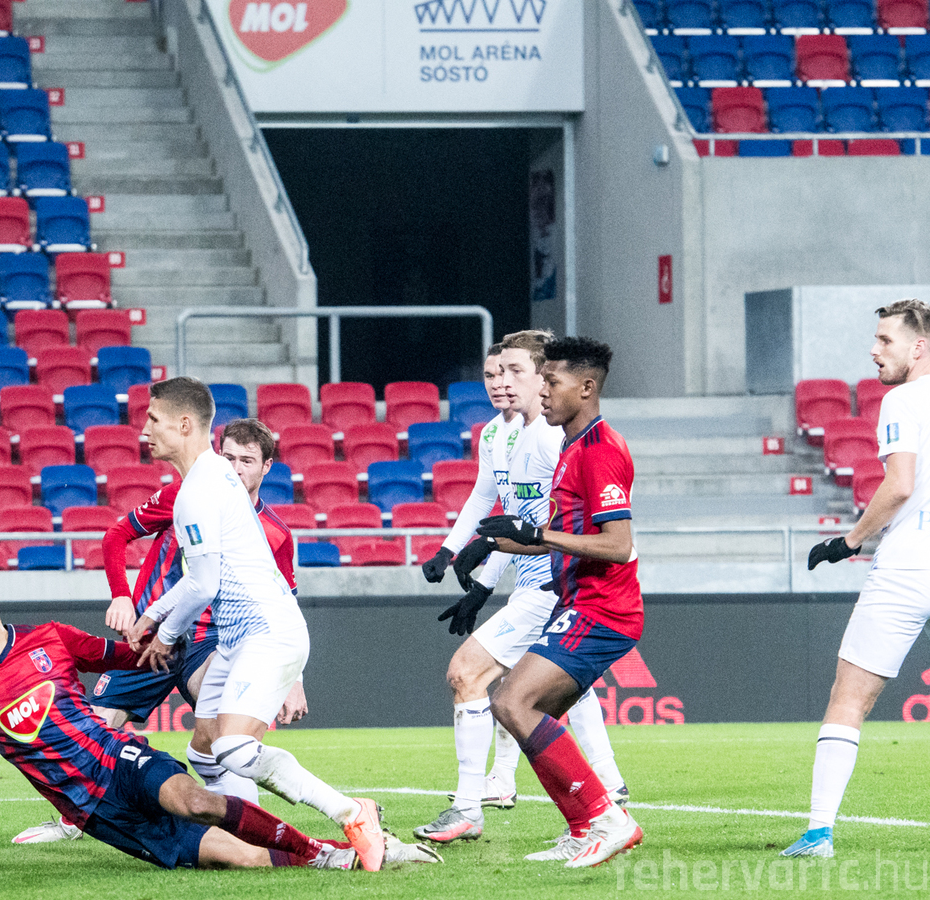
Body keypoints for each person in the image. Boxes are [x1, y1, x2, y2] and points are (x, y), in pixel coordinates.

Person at [0, 573, 441, 870]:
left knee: (195, 801)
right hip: (91, 809)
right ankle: (342, 852)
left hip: (116, 757)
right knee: (242, 859)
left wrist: (166, 641)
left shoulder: (50, 638)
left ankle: (328, 852)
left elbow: (123, 658)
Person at [123, 378, 388, 871]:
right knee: (206, 750)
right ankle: (255, 839)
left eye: (153, 419)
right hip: (240, 638)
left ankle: (353, 813)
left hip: (266, 632)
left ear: (184, 424)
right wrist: (154, 614)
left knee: (234, 747)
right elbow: (202, 579)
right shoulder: (215, 477)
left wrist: (163, 632)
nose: (145, 430)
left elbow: (202, 584)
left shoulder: (199, 490)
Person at [12, 418, 304, 844]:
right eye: (228, 458)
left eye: (247, 460)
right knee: (92, 731)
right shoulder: (186, 495)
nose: (236, 468)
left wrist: (294, 677)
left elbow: (285, 602)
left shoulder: (276, 532)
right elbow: (116, 536)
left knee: (224, 732)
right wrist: (121, 595)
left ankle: (250, 830)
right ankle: (73, 821)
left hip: (209, 640)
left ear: (267, 467)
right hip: (151, 636)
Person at [415, 332, 627, 845]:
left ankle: (475, 804)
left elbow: (562, 531)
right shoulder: (503, 434)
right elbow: (500, 510)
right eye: (492, 374)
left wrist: (486, 559)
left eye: (514, 372)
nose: (500, 383)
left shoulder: (558, 440)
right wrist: (468, 562)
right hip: (540, 581)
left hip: (556, 584)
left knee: (473, 676)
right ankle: (602, 791)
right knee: (542, 693)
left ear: (542, 377)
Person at [784, 299, 930, 859]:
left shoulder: (902, 399)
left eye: (884, 340)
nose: (874, 351)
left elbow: (898, 485)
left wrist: (847, 542)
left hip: (909, 566)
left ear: (918, 347)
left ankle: (819, 833)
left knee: (849, 699)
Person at [484, 336, 645, 869]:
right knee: (529, 715)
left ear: (587, 387)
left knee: (512, 703)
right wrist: (492, 546)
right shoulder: (573, 447)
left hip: (603, 607)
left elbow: (617, 545)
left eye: (552, 382)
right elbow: (560, 535)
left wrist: (537, 534)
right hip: (579, 603)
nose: (544, 392)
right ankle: (584, 828)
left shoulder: (600, 450)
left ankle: (609, 820)